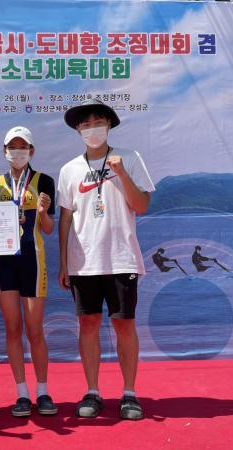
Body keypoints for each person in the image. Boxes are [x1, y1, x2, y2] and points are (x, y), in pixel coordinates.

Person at [57, 99, 155, 420]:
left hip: (121, 258)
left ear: (109, 125)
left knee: (124, 324)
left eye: (98, 122)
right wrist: (63, 263)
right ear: (78, 130)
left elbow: (141, 205)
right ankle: (92, 391)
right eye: (85, 124)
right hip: (83, 262)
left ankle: (130, 393)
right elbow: (65, 218)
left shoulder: (129, 157)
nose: (92, 128)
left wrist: (121, 173)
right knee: (88, 324)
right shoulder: (69, 169)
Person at [0, 126, 57, 417]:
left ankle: (42, 391)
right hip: (4, 263)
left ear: (31, 151)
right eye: (12, 146)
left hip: (33, 260)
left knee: (34, 329)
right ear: (5, 150)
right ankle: (21, 393)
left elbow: (49, 229)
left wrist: (42, 213)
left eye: (23, 146)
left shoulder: (44, 181)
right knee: (12, 328)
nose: (17, 151)